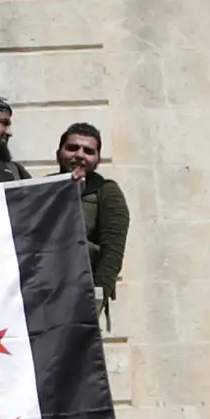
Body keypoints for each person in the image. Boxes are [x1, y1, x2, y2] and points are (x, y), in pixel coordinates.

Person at [52, 122, 130, 302]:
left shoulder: (106, 192)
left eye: (88, 151)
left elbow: (112, 256)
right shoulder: (42, 190)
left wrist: (97, 299)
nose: (80, 155)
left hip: (82, 293)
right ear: (58, 153)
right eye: (72, 148)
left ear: (97, 160)